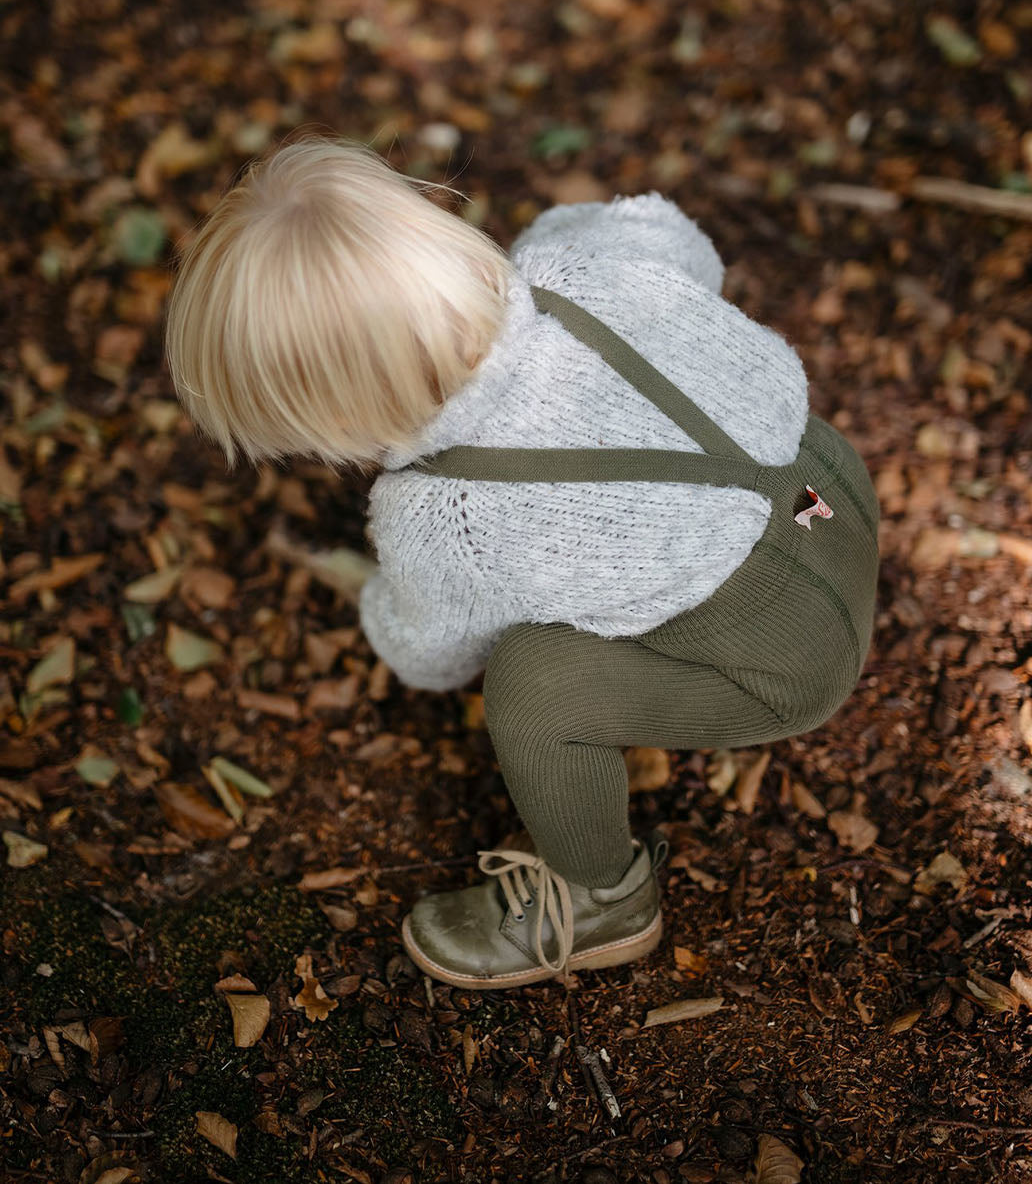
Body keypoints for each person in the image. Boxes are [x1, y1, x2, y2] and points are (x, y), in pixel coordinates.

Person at [165, 135, 880, 991]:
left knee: (532, 685)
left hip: (786, 662)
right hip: (831, 500)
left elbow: (430, 655)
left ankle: (599, 897)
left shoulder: (442, 510)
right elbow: (668, 229)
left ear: (336, 415)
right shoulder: (577, 265)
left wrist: (382, 611)